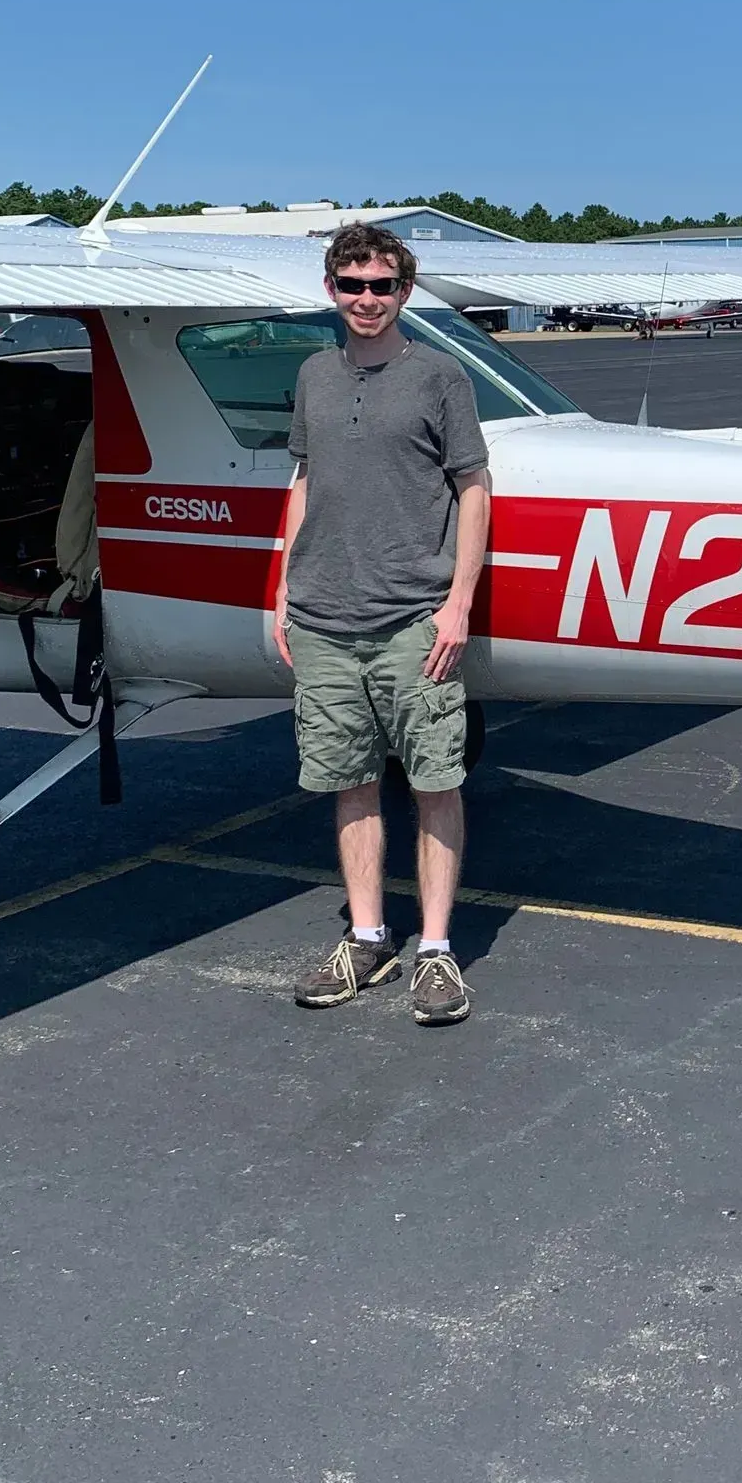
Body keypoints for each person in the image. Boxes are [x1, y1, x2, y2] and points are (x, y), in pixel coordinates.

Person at [273, 224, 492, 1026]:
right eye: (352, 284)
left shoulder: (439, 376)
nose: (367, 299)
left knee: (436, 781)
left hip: (413, 617)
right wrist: (281, 588)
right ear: (331, 289)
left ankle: (435, 950)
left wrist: (459, 600)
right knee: (350, 780)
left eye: (383, 286)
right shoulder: (313, 376)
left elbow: (474, 487)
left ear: (406, 291)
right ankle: (367, 938)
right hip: (325, 617)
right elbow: (304, 478)